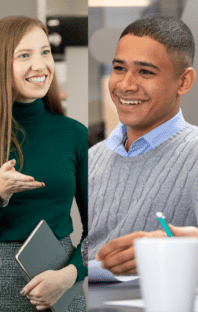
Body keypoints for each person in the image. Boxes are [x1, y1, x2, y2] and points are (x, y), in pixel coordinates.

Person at [88, 14, 198, 280]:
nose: (126, 85)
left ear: (183, 82)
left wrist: (182, 258)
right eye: (119, 68)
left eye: (145, 72)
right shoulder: (93, 157)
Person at [0, 16, 87, 310]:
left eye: (45, 51)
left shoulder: (74, 134)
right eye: (24, 55)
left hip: (61, 287)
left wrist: (67, 277)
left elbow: (99, 232)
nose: (40, 65)